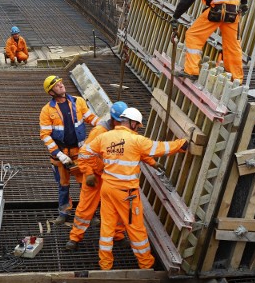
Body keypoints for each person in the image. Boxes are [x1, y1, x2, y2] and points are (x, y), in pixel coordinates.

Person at [79, 107, 188, 270]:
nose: (138, 128)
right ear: (133, 123)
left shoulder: (105, 137)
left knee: (107, 227)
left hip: (108, 189)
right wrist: (182, 144)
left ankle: (105, 265)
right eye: (138, 125)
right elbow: (161, 148)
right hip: (126, 194)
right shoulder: (137, 141)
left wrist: (91, 171)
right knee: (136, 230)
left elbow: (84, 153)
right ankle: (146, 265)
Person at [66, 101, 129, 251]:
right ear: (114, 120)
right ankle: (75, 237)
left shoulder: (125, 132)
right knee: (85, 207)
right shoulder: (99, 132)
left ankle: (118, 235)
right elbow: (84, 155)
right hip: (95, 176)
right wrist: (88, 174)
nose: (123, 124)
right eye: (120, 122)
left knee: (117, 207)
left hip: (112, 177)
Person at [39, 75, 99, 225]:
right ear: (51, 92)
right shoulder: (47, 111)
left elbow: (91, 118)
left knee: (85, 184)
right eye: (56, 85)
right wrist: (58, 154)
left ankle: (90, 213)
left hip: (79, 153)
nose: (61, 86)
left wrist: (106, 126)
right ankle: (64, 213)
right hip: (61, 155)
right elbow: (45, 135)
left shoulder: (78, 102)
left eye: (61, 83)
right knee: (63, 185)